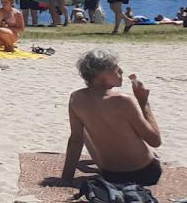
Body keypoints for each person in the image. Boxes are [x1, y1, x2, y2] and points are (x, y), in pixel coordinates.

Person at [60, 49, 162, 187]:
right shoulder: (123, 101)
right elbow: (155, 140)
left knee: (81, 131)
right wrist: (144, 103)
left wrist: (66, 178)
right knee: (152, 153)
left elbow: (76, 141)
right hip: (145, 174)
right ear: (99, 74)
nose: (121, 71)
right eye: (115, 68)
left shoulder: (76, 99)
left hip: (111, 175)